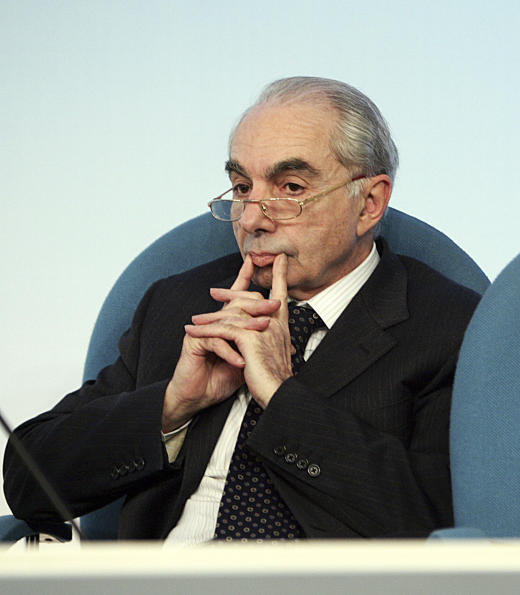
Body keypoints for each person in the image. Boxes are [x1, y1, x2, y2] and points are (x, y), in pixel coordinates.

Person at [3, 77, 481, 542]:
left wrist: (283, 396)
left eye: (291, 188)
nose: (252, 218)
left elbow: (431, 525)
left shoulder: (452, 328)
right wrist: (173, 406)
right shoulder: (180, 304)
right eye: (242, 186)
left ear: (370, 203)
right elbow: (30, 485)